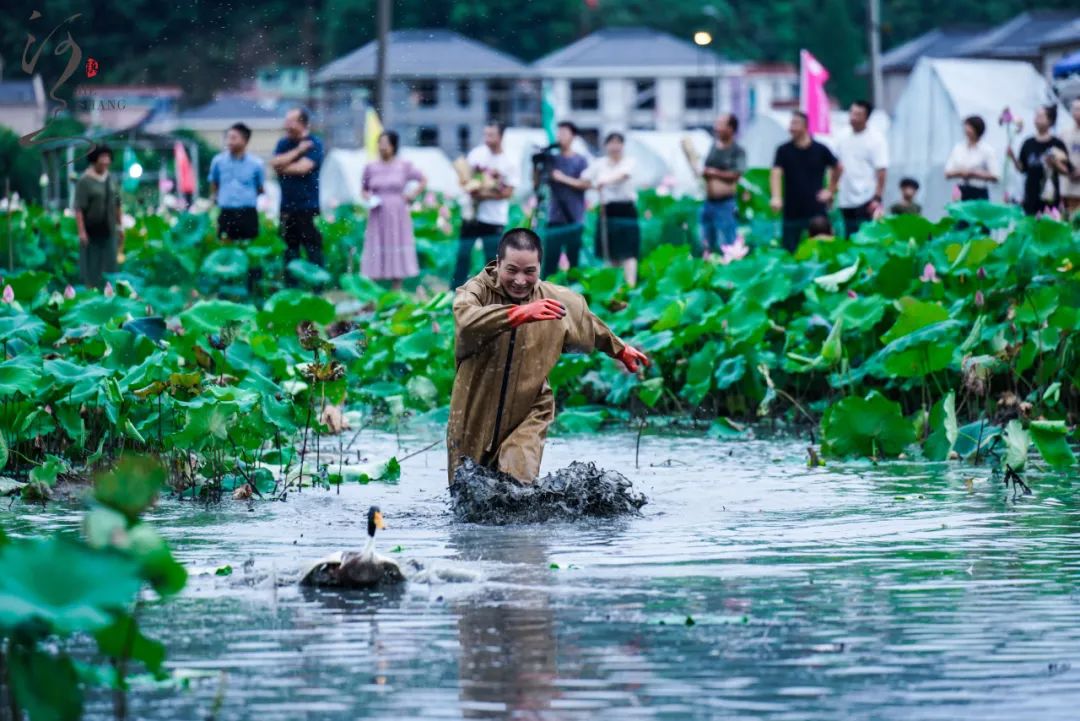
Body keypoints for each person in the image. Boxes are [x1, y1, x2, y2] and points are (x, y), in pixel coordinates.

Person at [446, 227, 649, 484]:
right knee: (468, 494)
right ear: (498, 264)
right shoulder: (475, 291)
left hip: (529, 410)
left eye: (529, 272)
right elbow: (465, 320)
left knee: (516, 489)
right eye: (512, 270)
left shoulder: (554, 299)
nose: (520, 280)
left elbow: (587, 322)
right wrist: (516, 314)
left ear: (540, 267)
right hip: (474, 409)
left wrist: (620, 349)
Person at [453, 122, 518, 289]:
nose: (487, 139)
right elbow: (465, 178)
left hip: (494, 217)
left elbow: (508, 192)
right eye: (486, 135)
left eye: (491, 135)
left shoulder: (509, 161)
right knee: (463, 254)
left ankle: (492, 292)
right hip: (472, 215)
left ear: (501, 137)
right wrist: (471, 186)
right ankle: (455, 291)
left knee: (491, 258)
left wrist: (483, 193)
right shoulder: (477, 154)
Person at [360, 130, 427, 290]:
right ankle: (373, 291)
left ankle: (396, 289)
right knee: (376, 244)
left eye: (385, 144)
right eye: (380, 143)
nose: (382, 147)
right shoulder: (370, 167)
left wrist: (411, 195)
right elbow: (363, 189)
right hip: (377, 211)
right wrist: (369, 198)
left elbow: (423, 179)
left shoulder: (403, 165)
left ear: (393, 146)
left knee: (396, 242)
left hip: (397, 211)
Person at [770, 111, 840, 252]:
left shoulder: (820, 149)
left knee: (822, 249)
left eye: (795, 124)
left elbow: (838, 167)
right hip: (792, 208)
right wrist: (776, 197)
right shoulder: (783, 150)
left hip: (816, 208)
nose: (792, 128)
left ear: (805, 126)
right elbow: (776, 173)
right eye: (791, 124)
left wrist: (830, 190)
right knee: (789, 250)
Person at [270, 107, 325, 286]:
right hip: (287, 207)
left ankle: (317, 289)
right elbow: (274, 163)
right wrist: (298, 151)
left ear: (302, 123)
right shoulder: (283, 144)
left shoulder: (315, 143)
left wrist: (283, 167)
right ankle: (291, 289)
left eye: (290, 121)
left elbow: (303, 168)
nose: (286, 125)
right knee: (289, 249)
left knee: (312, 248)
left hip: (308, 206)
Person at [208, 122, 265, 291]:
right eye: (228, 137)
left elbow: (260, 188)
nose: (229, 141)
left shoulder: (256, 164)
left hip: (247, 212)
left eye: (234, 137)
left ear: (245, 140)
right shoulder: (218, 161)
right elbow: (214, 183)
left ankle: (252, 287)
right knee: (226, 248)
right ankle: (226, 286)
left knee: (250, 249)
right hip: (226, 211)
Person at [585, 132, 640, 286]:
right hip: (607, 209)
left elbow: (624, 174)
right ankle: (612, 286)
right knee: (609, 252)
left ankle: (630, 285)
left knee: (629, 251)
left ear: (622, 146)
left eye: (618, 143)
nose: (615, 147)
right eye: (611, 143)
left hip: (626, 209)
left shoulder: (630, 161)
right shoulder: (599, 163)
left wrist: (603, 181)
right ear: (606, 146)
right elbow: (585, 178)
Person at [540, 121, 589, 279]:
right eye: (558, 133)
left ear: (573, 136)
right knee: (550, 260)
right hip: (555, 217)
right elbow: (538, 183)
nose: (560, 137)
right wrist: (537, 166)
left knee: (573, 260)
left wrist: (562, 178)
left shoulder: (580, 160)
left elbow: (585, 184)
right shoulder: (551, 159)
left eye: (564, 133)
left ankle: (573, 294)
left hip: (574, 217)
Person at [836, 100, 888, 237]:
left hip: (866, 197)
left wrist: (877, 197)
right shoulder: (842, 135)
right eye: (852, 113)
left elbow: (881, 170)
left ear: (866, 117)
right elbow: (836, 165)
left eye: (858, 114)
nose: (853, 117)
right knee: (847, 235)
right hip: (845, 197)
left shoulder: (876, 139)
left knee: (864, 235)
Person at [74, 144, 122, 290]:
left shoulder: (111, 179)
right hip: (92, 230)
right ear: (94, 159)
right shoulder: (85, 181)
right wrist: (81, 232)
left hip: (109, 229)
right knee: (92, 267)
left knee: (110, 266)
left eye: (108, 157)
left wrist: (120, 226)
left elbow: (117, 204)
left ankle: (109, 294)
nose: (106, 161)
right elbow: (79, 208)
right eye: (102, 157)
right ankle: (92, 292)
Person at [1008, 105, 1071, 216]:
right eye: (1036, 116)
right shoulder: (1028, 143)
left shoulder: (1056, 143)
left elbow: (1066, 170)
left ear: (1050, 121)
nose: (1037, 119)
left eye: (1041, 116)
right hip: (1031, 195)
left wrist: (1054, 163)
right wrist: (1013, 158)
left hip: (1049, 195)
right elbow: (1022, 169)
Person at [700, 113, 747, 253]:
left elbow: (737, 174)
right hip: (708, 202)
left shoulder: (737, 151)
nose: (717, 127)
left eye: (721, 124)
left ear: (731, 129)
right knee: (706, 242)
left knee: (728, 243)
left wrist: (714, 173)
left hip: (726, 203)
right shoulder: (713, 147)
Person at [944, 115, 998, 202]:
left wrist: (974, 174)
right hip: (960, 190)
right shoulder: (959, 148)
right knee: (958, 214)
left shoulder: (987, 150)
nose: (967, 130)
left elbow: (995, 176)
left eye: (970, 127)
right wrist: (961, 173)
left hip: (979, 193)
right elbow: (947, 172)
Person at [1063, 99, 1080, 219]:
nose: (1076, 112)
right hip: (1068, 187)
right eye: (1074, 108)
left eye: (1078, 109)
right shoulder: (1064, 133)